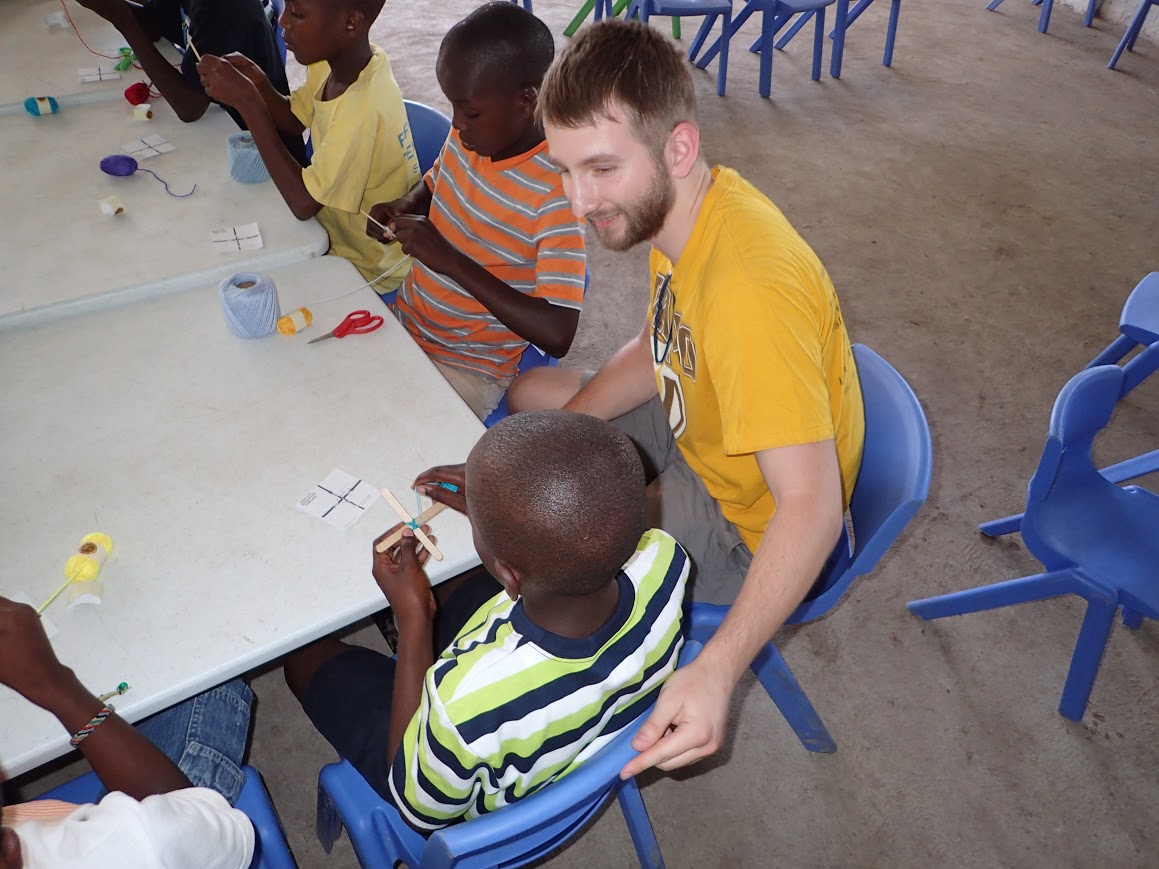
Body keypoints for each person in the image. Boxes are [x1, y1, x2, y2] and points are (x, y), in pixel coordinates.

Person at [503, 19, 866, 778]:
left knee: (555, 560)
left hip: (749, 523)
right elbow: (654, 345)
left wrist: (718, 669)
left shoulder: (747, 292)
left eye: (601, 169)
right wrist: (556, 440)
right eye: (565, 170)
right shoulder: (685, 212)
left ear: (677, 148)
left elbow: (812, 509)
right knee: (532, 406)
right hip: (699, 418)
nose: (578, 201)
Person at [282, 410, 689, 831]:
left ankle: (405, 636)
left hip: (455, 770)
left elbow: (415, 806)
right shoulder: (665, 558)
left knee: (300, 655)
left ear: (509, 576)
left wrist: (415, 620)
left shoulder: (459, 704)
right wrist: (502, 504)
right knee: (455, 583)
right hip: (582, 714)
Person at [364, 3, 586, 421]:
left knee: (401, 441)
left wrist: (450, 261)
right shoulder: (472, 137)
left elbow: (558, 333)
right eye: (453, 107)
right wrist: (405, 204)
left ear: (525, 101)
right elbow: (436, 181)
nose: (456, 123)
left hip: (467, 365)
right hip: (407, 324)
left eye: (469, 112)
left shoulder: (557, 194)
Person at [0, 597, 254, 868]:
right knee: (206, 660)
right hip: (185, 837)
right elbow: (211, 836)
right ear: (10, 849)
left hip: (74, 823)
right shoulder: (126, 849)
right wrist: (54, 684)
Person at [199, 0, 421, 292]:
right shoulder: (336, 62)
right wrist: (260, 85)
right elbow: (295, 119)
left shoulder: (362, 107)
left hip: (370, 269)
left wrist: (248, 103)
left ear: (350, 23)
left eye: (297, 13)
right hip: (331, 238)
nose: (282, 21)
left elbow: (304, 204)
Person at [74, 0, 307, 164]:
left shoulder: (224, 9)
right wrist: (112, 6)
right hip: (224, 132)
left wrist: (122, 20)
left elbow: (190, 106)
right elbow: (155, 26)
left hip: (259, 157)